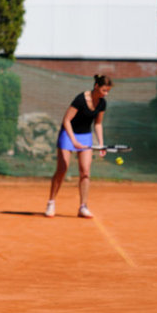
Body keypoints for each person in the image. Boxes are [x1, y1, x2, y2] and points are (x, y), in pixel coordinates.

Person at [44, 74, 113, 219]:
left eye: (108, 91)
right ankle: (51, 203)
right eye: (104, 90)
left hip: (85, 136)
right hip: (68, 134)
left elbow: (98, 124)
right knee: (62, 169)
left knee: (85, 172)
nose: (105, 94)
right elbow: (66, 120)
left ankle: (83, 207)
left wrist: (101, 144)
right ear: (96, 87)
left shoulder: (102, 103)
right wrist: (73, 140)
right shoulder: (80, 99)